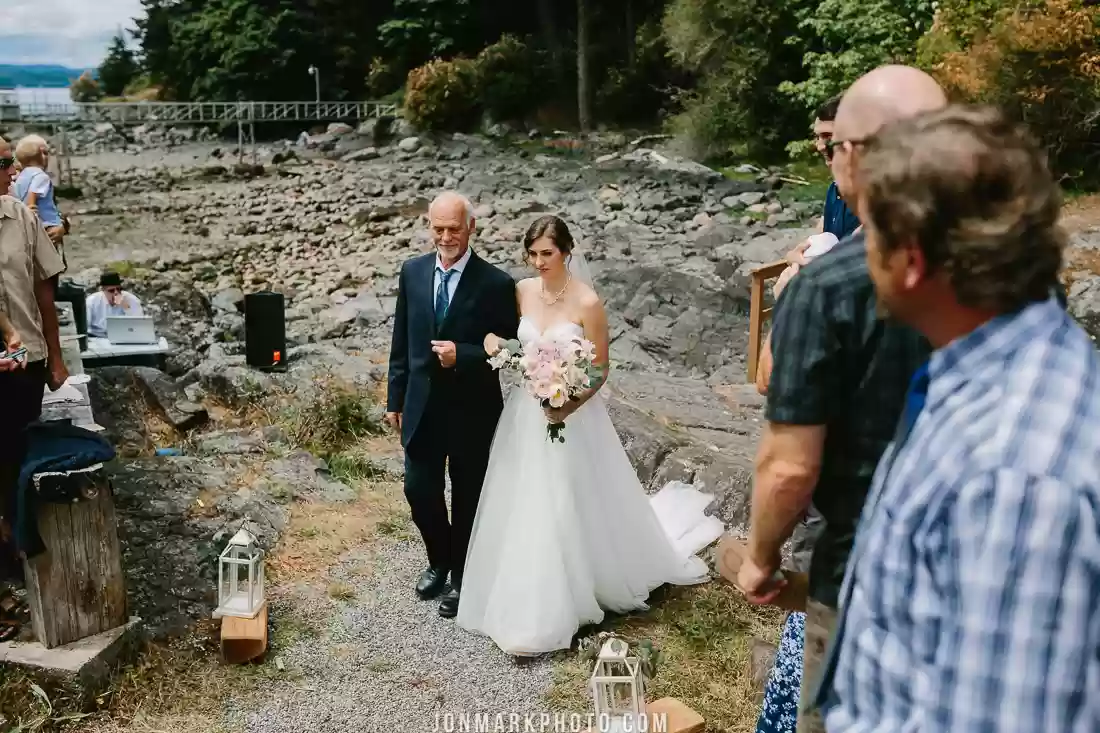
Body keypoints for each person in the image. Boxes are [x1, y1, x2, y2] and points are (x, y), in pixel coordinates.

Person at [816, 103, 1100, 732]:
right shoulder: (996, 366)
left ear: (912, 259)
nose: (862, 253)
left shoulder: (1012, 477)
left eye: (870, 233)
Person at [735, 65, 945, 733]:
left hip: (865, 571)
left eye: (832, 148)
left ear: (851, 154)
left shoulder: (829, 285)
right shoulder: (1016, 270)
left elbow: (789, 467)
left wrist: (760, 558)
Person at [457, 215, 724, 656]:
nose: (539, 262)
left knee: (567, 495)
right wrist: (495, 345)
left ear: (567, 252)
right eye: (533, 254)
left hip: (573, 415)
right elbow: (499, 335)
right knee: (524, 495)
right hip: (525, 413)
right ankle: (521, 589)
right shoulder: (521, 292)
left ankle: (572, 592)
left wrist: (567, 404)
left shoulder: (587, 301)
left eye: (548, 253)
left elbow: (599, 368)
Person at [385, 191, 520, 619]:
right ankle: (439, 559)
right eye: (438, 228)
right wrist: (394, 398)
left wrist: (464, 354)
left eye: (454, 229)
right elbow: (401, 342)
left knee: (468, 498)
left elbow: (513, 350)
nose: (445, 237)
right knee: (418, 489)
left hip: (472, 410)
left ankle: (463, 576)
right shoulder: (412, 272)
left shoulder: (496, 283)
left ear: (471, 228)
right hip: (421, 408)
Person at [0, 138, 69, 639]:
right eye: (5, 163)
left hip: (26, 363)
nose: (13, 171)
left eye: (11, 160)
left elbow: (46, 292)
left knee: (15, 460)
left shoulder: (20, 217)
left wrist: (57, 357)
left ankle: (18, 555)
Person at [757, 96, 862, 394]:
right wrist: (795, 256)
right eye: (817, 137)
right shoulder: (834, 190)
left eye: (827, 136)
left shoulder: (874, 199)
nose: (818, 146)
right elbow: (818, 238)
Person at [12, 135, 67, 262]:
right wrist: (30, 210)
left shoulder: (21, 179)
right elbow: (33, 196)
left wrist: (62, 226)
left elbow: (51, 207)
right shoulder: (40, 177)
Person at [85, 271, 144, 338]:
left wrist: (125, 306)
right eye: (111, 290)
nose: (116, 293)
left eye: (119, 289)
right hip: (97, 337)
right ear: (103, 290)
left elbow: (138, 324)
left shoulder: (131, 299)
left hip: (124, 336)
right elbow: (84, 325)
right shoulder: (92, 301)